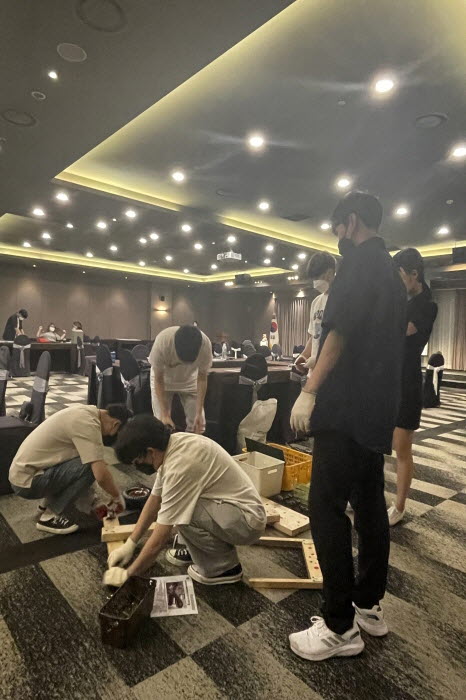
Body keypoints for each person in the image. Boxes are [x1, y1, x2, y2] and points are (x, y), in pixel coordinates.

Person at [289, 191, 406, 661]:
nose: (337, 237)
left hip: (345, 410)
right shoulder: (392, 272)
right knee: (370, 506)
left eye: (337, 228)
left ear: (350, 222)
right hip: (377, 410)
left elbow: (338, 334)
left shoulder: (355, 266)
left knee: (325, 508)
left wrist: (309, 390)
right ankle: (368, 605)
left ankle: (339, 626)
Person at [103, 415, 266, 587]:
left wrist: (129, 574)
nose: (138, 466)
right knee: (176, 504)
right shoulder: (174, 444)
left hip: (247, 523)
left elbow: (160, 538)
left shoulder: (180, 466)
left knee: (181, 511)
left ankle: (223, 568)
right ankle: (200, 550)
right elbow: (155, 499)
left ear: (150, 451)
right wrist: (131, 543)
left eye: (138, 461)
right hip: (233, 509)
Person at [9, 403, 131, 534]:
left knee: (87, 459)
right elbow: (100, 475)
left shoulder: (86, 412)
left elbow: (78, 465)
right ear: (116, 424)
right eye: (117, 434)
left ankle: (46, 504)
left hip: (26, 473)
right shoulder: (88, 425)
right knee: (92, 467)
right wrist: (117, 496)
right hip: (27, 483)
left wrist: (92, 500)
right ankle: (50, 516)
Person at [388, 248, 438, 526]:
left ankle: (399, 506)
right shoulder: (402, 300)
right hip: (386, 378)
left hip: (407, 382)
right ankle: (363, 495)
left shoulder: (427, 306)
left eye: (400, 277)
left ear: (414, 274)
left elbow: (399, 331)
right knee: (374, 442)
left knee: (401, 447)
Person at [149, 325, 212, 434]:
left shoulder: (205, 345)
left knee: (198, 425)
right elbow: (158, 379)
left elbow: (202, 378)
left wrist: (198, 412)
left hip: (190, 379)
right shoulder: (163, 342)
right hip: (163, 380)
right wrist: (165, 414)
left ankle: (192, 443)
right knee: (161, 424)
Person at [295, 252, 336, 374]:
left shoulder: (341, 300)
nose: (315, 282)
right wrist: (304, 356)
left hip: (331, 373)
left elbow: (338, 340)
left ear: (330, 273)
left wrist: (318, 359)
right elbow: (315, 335)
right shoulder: (316, 302)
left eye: (317, 278)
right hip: (313, 373)